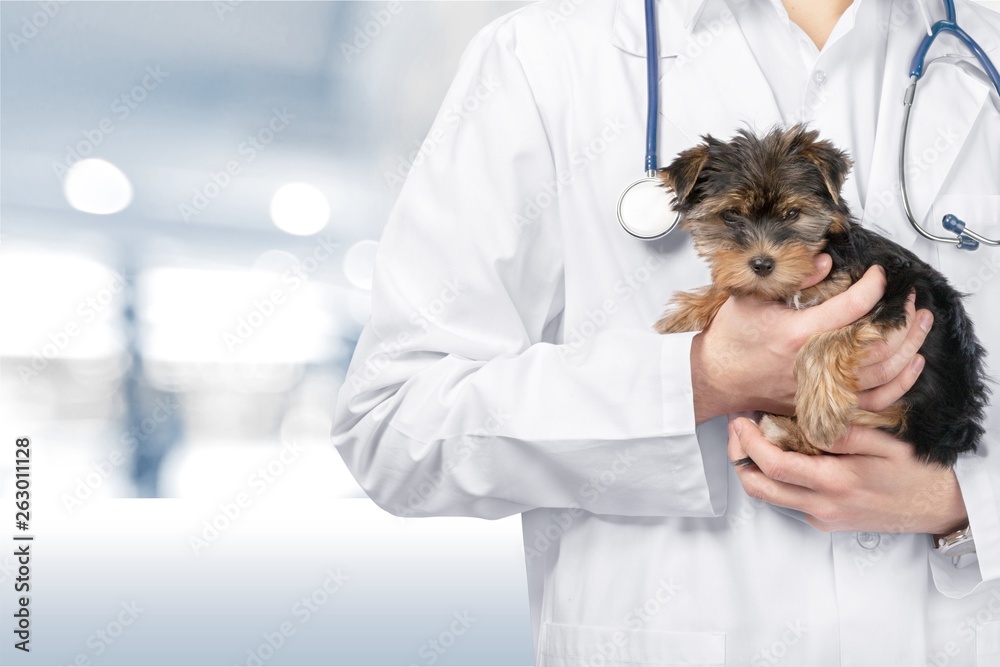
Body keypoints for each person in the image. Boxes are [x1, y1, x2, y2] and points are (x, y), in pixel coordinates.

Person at [332, 0, 1000, 664]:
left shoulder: (986, 43)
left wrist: (964, 505)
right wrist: (699, 378)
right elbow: (395, 423)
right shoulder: (542, 59)